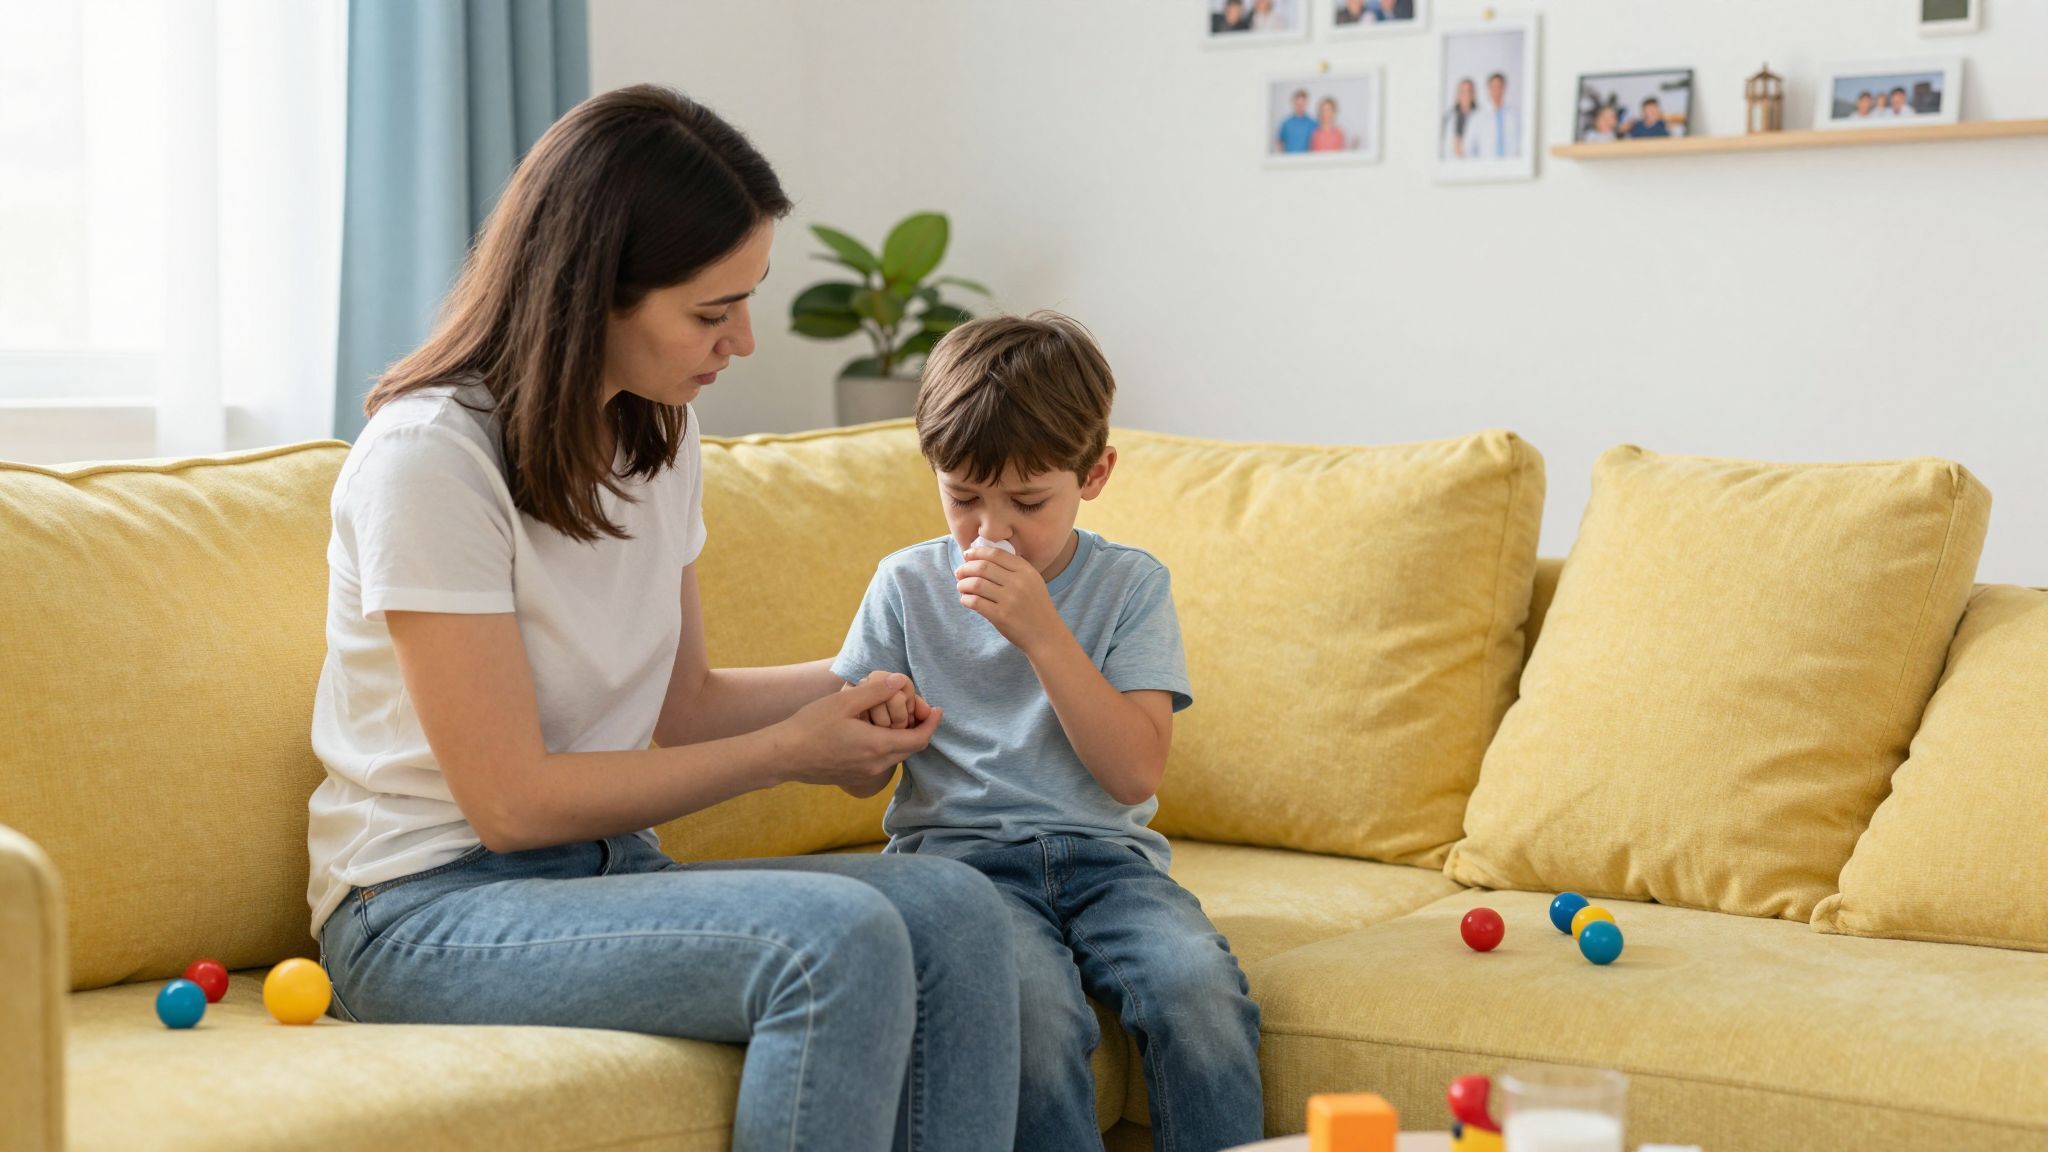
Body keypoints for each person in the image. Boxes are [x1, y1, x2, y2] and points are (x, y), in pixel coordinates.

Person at [306, 84, 1021, 1152]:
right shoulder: (429, 460)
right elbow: (507, 804)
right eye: (708, 310)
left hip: (600, 872)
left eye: (747, 297)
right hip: (421, 910)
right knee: (832, 942)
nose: (739, 340)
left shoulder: (657, 435)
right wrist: (788, 753)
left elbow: (683, 705)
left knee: (957, 911)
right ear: (591, 292)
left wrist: (889, 676)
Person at [833, 313, 1264, 1152]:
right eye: (963, 498)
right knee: (1030, 1018)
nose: (992, 531)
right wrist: (877, 737)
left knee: (1201, 996)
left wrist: (1044, 634)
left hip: (1109, 861)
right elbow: (853, 778)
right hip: (960, 869)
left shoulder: (1129, 586)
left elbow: (1134, 772)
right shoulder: (903, 586)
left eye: (1028, 502)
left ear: (1093, 474)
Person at [1467, 71, 1521, 158]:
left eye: (1499, 87)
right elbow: (1469, 148)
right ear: (1488, 89)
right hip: (1486, 167)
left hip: (1511, 166)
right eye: (1493, 87)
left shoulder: (1515, 116)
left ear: (1504, 88)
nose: (1496, 91)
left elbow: (1520, 143)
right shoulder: (1477, 117)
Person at [1443, 77, 1479, 158]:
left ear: (1473, 94)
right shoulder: (1448, 118)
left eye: (1469, 91)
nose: (1466, 95)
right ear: (1457, 95)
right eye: (1462, 92)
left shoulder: (1480, 117)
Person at [1277, 89, 1318, 153]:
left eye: (1302, 104)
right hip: (1288, 160)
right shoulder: (1286, 123)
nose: (1300, 106)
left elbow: (1316, 144)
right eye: (1298, 103)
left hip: (1307, 160)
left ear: (1306, 103)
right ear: (1293, 103)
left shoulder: (1313, 123)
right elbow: (1280, 142)